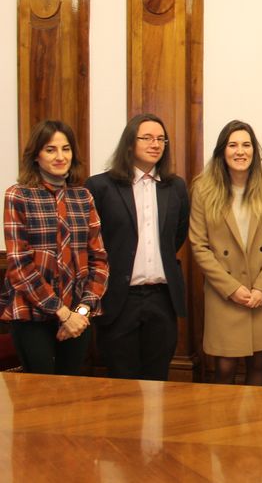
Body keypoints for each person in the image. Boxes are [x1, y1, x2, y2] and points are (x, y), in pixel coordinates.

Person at [86, 113, 190, 381]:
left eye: (161, 139)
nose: (155, 144)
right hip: (119, 299)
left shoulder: (175, 187)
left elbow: (177, 235)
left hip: (161, 298)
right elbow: (91, 243)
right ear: (130, 143)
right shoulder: (101, 186)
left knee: (157, 380)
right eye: (147, 138)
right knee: (122, 382)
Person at [0, 120, 109, 374]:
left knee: (71, 397)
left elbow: (99, 260)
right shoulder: (18, 195)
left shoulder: (83, 197)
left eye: (66, 149)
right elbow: (19, 266)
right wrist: (62, 313)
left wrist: (81, 311)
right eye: (51, 150)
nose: (60, 156)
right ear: (36, 155)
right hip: (31, 315)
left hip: (78, 315)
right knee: (38, 399)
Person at [189, 120, 262, 385]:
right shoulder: (203, 188)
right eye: (233, 145)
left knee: (260, 364)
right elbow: (199, 245)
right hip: (226, 293)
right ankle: (225, 426)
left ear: (254, 151)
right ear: (222, 151)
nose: (240, 151)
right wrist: (231, 288)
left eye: (246, 145)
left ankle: (256, 426)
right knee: (224, 368)